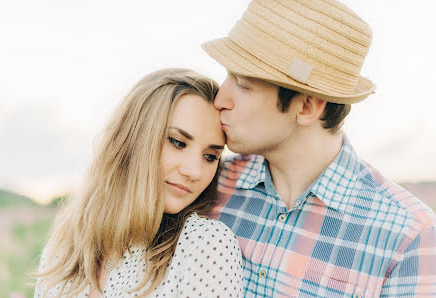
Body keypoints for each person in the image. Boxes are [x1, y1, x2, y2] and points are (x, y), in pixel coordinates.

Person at [201, 0, 436, 297]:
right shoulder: (206, 183)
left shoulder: (408, 235)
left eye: (243, 84)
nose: (220, 99)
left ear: (308, 107)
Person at [33, 68, 243, 297]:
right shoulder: (65, 242)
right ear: (135, 137)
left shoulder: (206, 244)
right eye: (178, 142)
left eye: (211, 157)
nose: (194, 171)